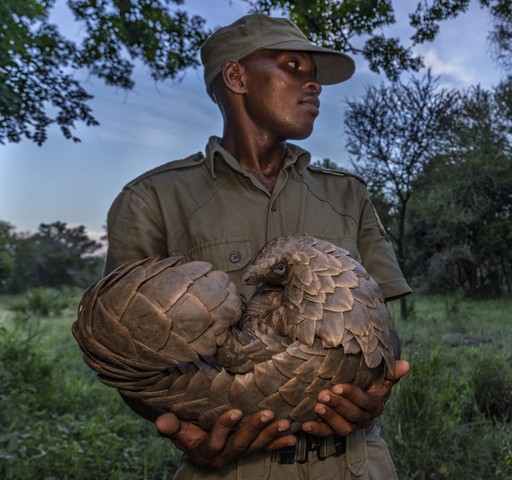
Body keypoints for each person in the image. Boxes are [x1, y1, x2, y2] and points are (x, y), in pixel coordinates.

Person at [102, 13, 412, 480]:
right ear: (236, 76)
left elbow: (383, 326)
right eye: (293, 66)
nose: (314, 86)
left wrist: (376, 389)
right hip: (229, 469)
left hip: (355, 463)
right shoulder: (153, 200)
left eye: (314, 75)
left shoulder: (348, 195)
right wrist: (183, 428)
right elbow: (126, 349)